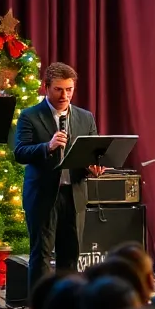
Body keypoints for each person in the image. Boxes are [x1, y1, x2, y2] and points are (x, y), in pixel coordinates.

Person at [14, 62, 104, 292]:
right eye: (59, 90)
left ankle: (68, 307)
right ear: (46, 87)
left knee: (71, 254)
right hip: (43, 196)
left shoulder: (85, 117)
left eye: (69, 89)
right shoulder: (30, 116)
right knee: (41, 255)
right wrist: (48, 146)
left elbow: (92, 153)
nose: (65, 95)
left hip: (74, 194)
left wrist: (93, 167)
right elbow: (20, 152)